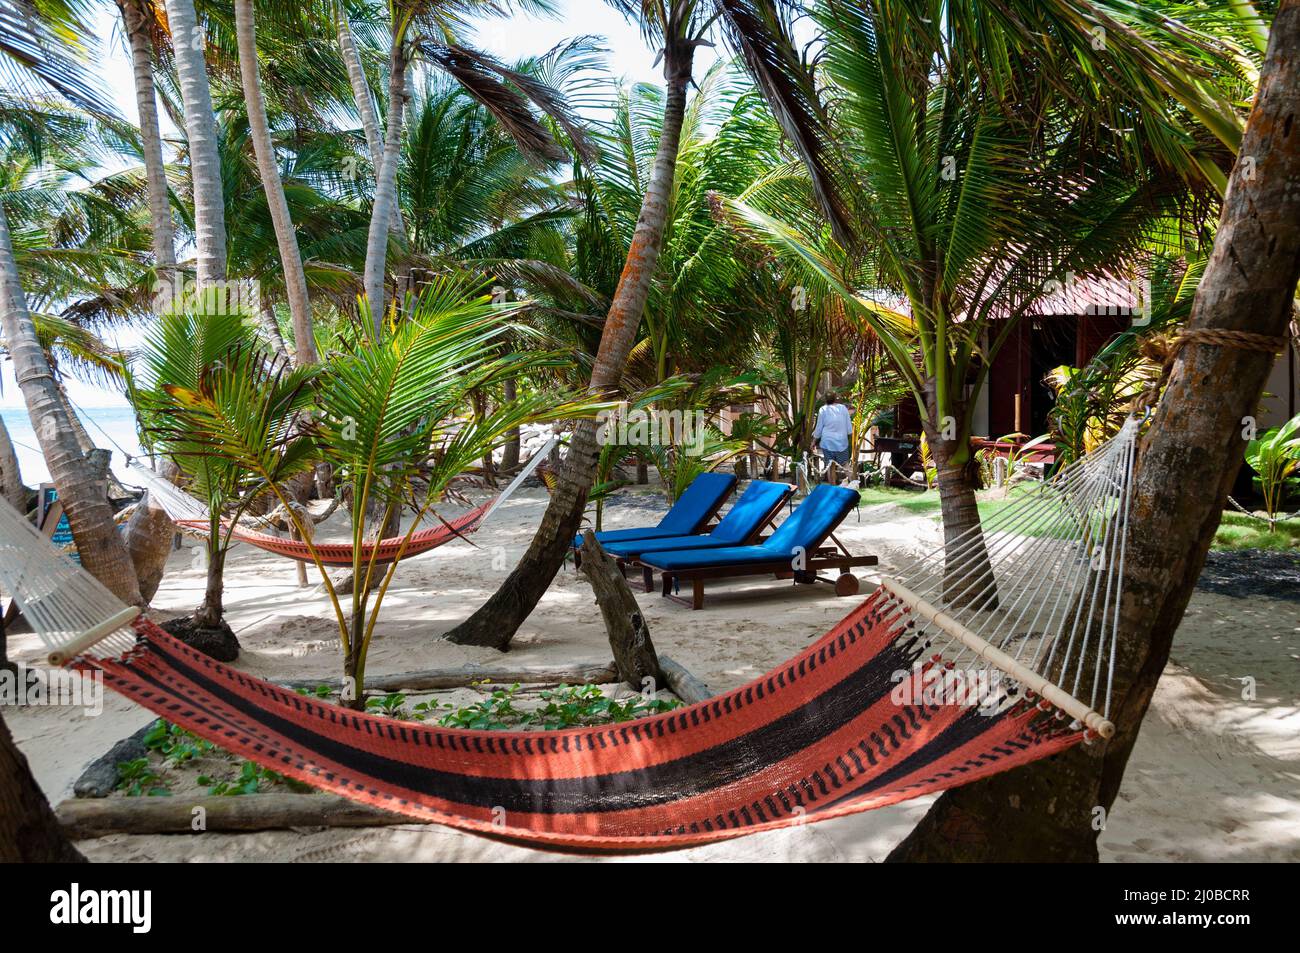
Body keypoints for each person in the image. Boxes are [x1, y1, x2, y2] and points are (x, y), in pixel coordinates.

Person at [812, 392, 853, 483]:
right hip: (842, 442)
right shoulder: (843, 408)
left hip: (828, 442)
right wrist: (850, 437)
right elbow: (849, 427)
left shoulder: (823, 409)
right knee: (846, 464)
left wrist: (814, 441)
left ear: (825, 400)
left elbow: (819, 428)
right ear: (835, 399)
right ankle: (854, 484)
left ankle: (832, 487)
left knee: (830, 466)